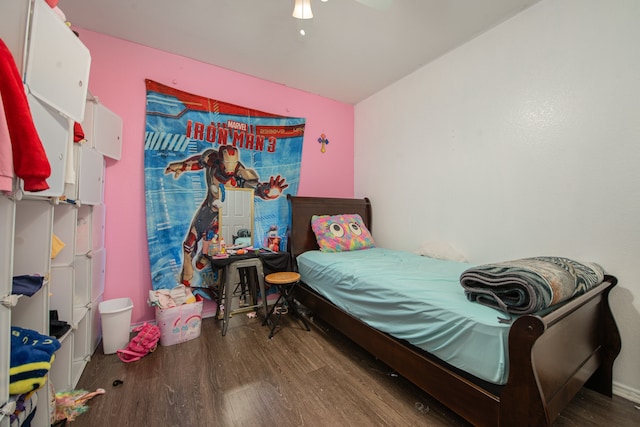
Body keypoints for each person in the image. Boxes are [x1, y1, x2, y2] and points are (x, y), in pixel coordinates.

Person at [165, 145, 288, 286]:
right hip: (209, 208)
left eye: (233, 166)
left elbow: (258, 188)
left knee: (211, 246)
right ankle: (187, 278)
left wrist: (269, 191)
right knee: (189, 243)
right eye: (226, 165)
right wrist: (182, 166)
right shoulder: (211, 159)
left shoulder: (241, 174)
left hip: (226, 215)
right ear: (220, 160)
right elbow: (198, 162)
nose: (229, 170)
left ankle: (203, 259)